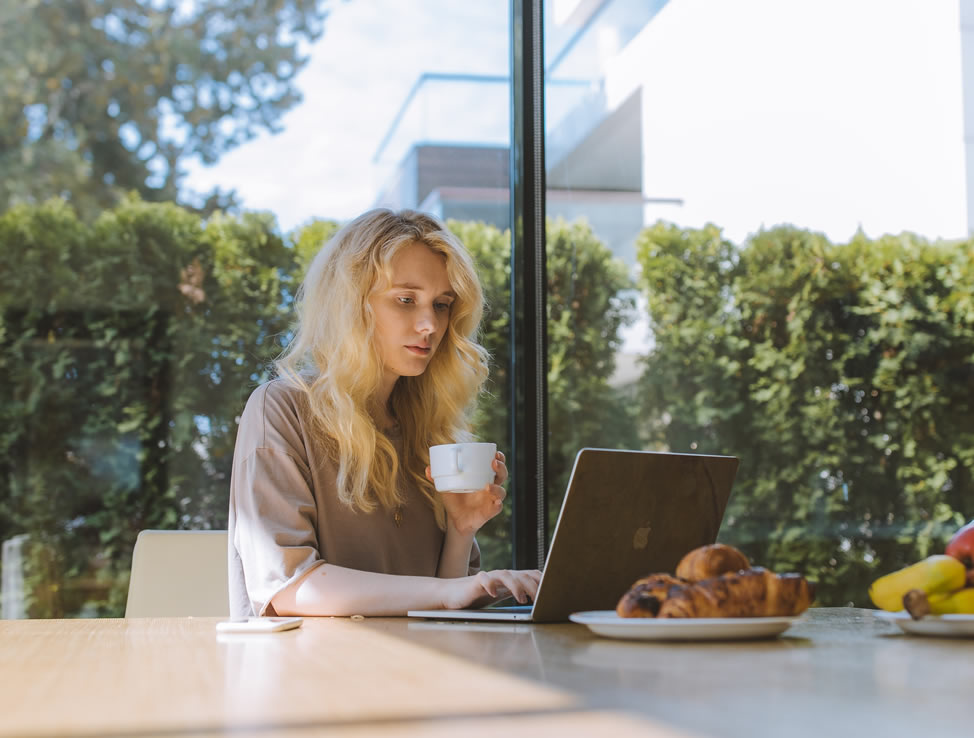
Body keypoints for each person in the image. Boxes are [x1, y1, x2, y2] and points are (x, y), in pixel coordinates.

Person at [228, 208, 541, 617]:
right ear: (352, 305)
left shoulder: (430, 431)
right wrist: (453, 592)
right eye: (406, 300)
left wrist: (461, 530)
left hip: (409, 672)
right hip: (306, 674)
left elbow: (438, 608)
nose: (429, 324)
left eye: (442, 305)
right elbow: (289, 589)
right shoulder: (282, 409)